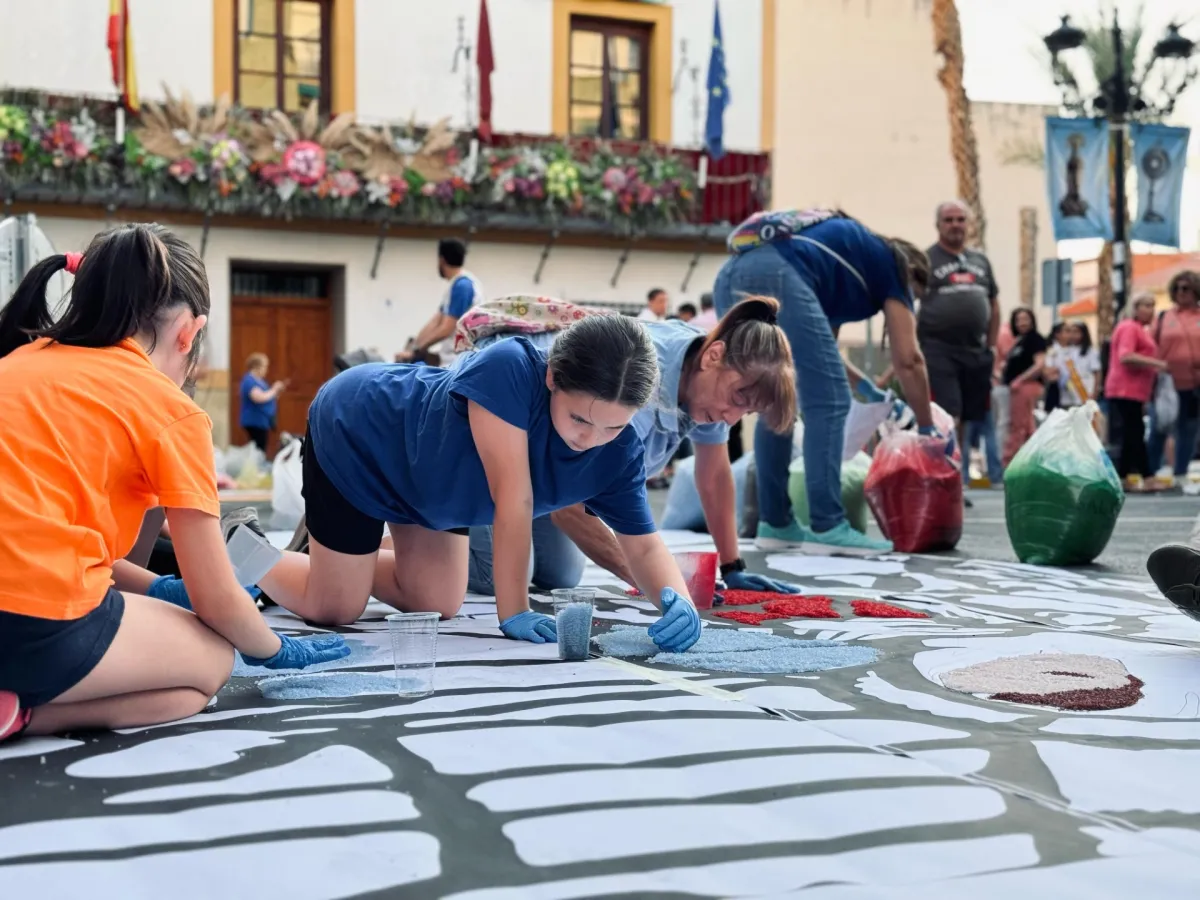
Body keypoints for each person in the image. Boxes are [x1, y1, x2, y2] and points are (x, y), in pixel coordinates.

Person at [0, 224, 347, 745]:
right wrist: (273, 647)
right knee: (211, 661)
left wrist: (157, 587)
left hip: (26, 605)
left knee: (179, 665)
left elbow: (39, 536)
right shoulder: (168, 409)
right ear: (189, 331)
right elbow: (216, 598)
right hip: (31, 626)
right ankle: (25, 715)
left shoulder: (19, 363)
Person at [257, 315, 703, 652]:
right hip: (365, 432)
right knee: (334, 607)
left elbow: (642, 544)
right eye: (579, 418)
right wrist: (514, 611)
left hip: (430, 490)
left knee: (435, 601)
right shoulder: (510, 367)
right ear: (552, 377)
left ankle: (337, 557)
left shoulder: (619, 452)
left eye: (611, 427)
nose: (589, 440)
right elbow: (514, 499)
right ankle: (234, 549)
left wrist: (677, 602)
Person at [458, 295, 802, 597]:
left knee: (559, 575)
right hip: (487, 431)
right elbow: (570, 503)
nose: (731, 418)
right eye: (738, 398)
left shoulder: (708, 383)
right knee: (497, 577)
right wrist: (652, 579)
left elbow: (714, 476)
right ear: (714, 355)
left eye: (748, 410)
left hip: (543, 468)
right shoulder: (633, 386)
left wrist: (732, 565)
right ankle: (424, 522)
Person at [716, 208, 942, 556]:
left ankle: (775, 522)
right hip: (776, 274)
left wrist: (866, 386)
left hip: (732, 275)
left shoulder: (841, 262)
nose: (908, 304)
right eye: (913, 296)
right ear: (912, 274)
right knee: (829, 402)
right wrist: (927, 429)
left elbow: (823, 355)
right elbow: (908, 360)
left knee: (778, 400)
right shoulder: (892, 265)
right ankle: (827, 524)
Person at [913, 201, 1000, 448]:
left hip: (975, 350)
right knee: (949, 409)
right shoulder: (925, 259)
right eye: (949, 220)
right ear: (938, 225)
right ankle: (946, 465)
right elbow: (908, 304)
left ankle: (954, 466)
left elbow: (993, 304)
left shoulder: (981, 260)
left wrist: (992, 347)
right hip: (938, 348)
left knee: (969, 414)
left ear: (968, 224)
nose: (955, 225)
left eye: (960, 219)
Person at [1105, 294, 1168, 491]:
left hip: (1135, 390)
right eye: (1146, 305)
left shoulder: (1140, 329)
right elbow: (1126, 356)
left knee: (1131, 433)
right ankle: (1147, 476)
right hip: (1125, 388)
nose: (1151, 310)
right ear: (1135, 307)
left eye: (1152, 306)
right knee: (1135, 432)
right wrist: (1160, 364)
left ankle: (1123, 478)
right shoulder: (1129, 327)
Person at [396, 237, 483, 367]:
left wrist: (416, 351)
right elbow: (435, 321)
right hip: (452, 359)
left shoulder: (462, 286)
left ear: (441, 260)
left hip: (459, 361)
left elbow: (446, 328)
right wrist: (414, 346)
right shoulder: (455, 284)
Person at [1149, 271, 1200, 483]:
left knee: (1188, 429)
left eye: (1186, 288)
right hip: (1166, 385)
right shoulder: (1163, 318)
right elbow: (1150, 347)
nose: (1181, 292)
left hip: (1194, 384)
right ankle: (1150, 472)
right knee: (1159, 428)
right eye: (1177, 288)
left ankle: (1179, 473)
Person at [1000, 307, 1047, 465]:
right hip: (1016, 388)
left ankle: (1010, 461)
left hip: (1026, 387)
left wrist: (1020, 380)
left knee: (1020, 426)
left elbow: (1040, 364)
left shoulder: (1035, 339)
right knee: (1025, 426)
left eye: (1026, 319)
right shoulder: (1019, 341)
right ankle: (1029, 462)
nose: (1022, 323)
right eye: (1018, 320)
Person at [1044, 321, 1100, 412]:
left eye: (1076, 332)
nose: (1072, 335)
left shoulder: (1090, 351)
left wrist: (1095, 393)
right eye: (1070, 332)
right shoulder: (1064, 350)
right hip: (1066, 395)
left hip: (1085, 392)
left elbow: (1096, 373)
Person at [239, 352, 288, 454]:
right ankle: (255, 469)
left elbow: (268, 397)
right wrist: (274, 389)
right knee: (258, 449)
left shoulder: (260, 381)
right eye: (264, 366)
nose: (266, 369)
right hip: (254, 421)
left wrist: (276, 392)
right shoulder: (249, 380)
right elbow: (259, 397)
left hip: (262, 421)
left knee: (261, 447)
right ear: (256, 366)